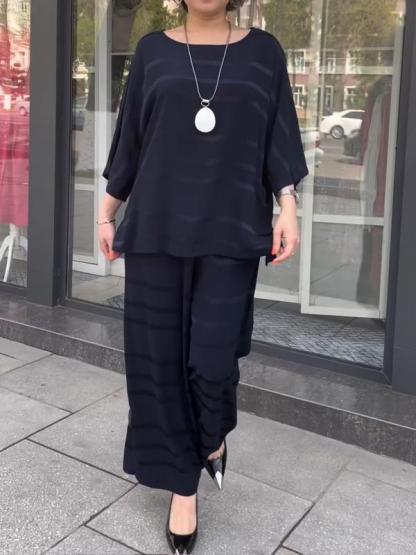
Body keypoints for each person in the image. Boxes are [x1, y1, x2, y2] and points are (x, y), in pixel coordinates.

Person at [98, 1, 308, 552]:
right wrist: (106, 212)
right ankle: (183, 490)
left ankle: (211, 440)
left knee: (212, 363)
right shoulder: (152, 52)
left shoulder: (263, 53)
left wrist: (288, 206)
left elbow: (278, 135)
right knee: (159, 364)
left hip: (230, 232)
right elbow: (132, 138)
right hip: (157, 230)